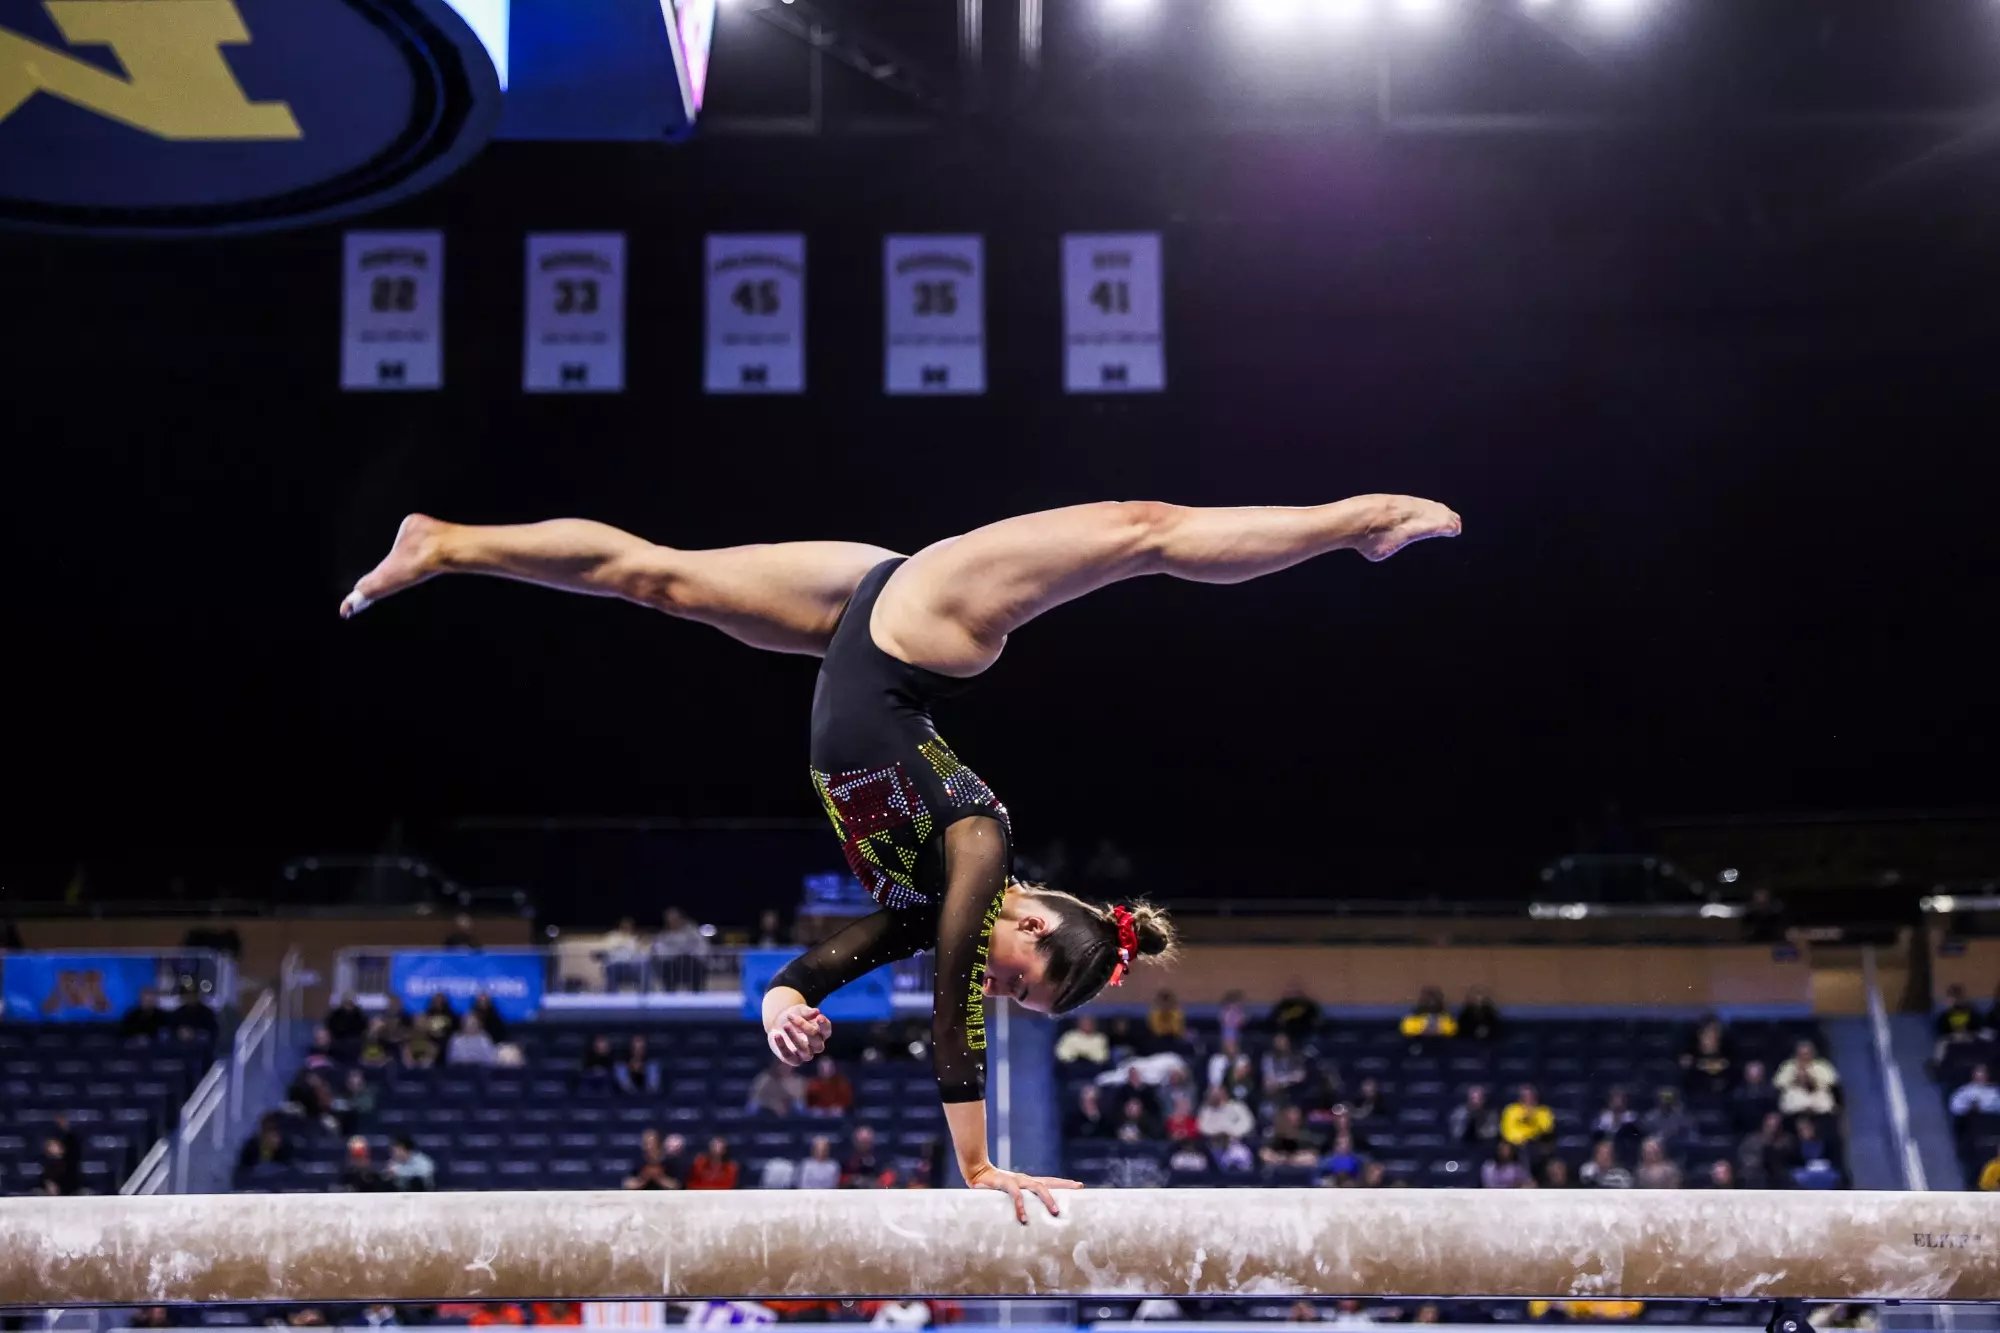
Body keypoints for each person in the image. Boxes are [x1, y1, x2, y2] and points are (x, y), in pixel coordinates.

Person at [342, 495, 1458, 1220]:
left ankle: (442, 544)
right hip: (928, 625)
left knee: (658, 579)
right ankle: (1348, 525)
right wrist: (975, 1161)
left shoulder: (929, 901)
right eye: (1018, 976)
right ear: (1025, 923)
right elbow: (950, 989)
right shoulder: (978, 849)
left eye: (1013, 993)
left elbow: (860, 947)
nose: (994, 980)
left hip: (859, 628)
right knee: (1143, 532)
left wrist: (786, 990)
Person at [1774, 1040, 1839, 1118]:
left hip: (1817, 1095)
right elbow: (1779, 1083)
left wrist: (1812, 1079)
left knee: (1824, 1097)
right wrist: (1795, 1079)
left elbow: (1832, 1082)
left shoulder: (1822, 1065)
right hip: (1796, 1096)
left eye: (1807, 1054)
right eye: (1801, 1054)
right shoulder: (1789, 1065)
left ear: (1812, 1054)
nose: (1804, 1057)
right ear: (1796, 1054)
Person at [1502, 1084, 1554, 1150]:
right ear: (1520, 1098)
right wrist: (1521, 1139)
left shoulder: (1544, 1111)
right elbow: (1507, 1131)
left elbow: (1546, 1130)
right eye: (1525, 1097)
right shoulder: (1511, 1110)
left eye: (1531, 1097)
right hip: (1515, 1145)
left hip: (1537, 1144)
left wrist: (1533, 1117)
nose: (1528, 1100)